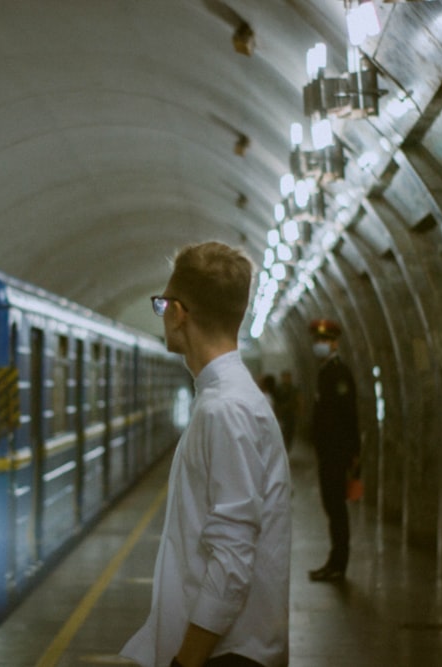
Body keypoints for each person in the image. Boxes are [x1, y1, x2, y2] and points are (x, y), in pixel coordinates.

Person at [121, 242, 292, 667]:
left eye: (162, 304)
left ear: (178, 313)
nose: (162, 314)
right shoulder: (229, 400)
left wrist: (187, 661)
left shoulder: (225, 410)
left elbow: (233, 558)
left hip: (225, 657)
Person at [307, 319, 360, 582]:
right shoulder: (326, 371)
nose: (319, 345)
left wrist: (352, 454)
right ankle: (335, 560)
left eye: (324, 340)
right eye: (317, 341)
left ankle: (339, 563)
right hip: (329, 453)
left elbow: (348, 416)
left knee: (336, 509)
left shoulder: (339, 373)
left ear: (335, 343)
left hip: (336, 454)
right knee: (332, 508)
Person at [272, 370, 299, 452]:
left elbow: (298, 400)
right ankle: (284, 450)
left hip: (291, 414)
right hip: (282, 414)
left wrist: (298, 412)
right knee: (282, 433)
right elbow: (275, 401)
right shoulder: (278, 389)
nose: (286, 379)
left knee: (290, 433)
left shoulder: (294, 389)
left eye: (288, 377)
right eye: (285, 377)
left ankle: (288, 449)